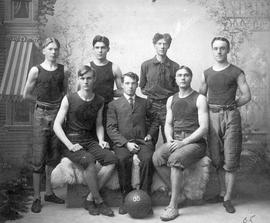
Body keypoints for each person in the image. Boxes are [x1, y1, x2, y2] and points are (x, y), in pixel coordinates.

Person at [53, 65, 117, 217]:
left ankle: (89, 198)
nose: (86, 81)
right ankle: (99, 201)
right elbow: (56, 125)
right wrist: (69, 145)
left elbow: (99, 124)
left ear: (94, 79)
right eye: (82, 78)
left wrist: (101, 140)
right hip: (72, 140)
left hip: (89, 140)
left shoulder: (100, 100)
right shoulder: (69, 98)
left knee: (112, 159)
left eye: (89, 78)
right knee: (89, 160)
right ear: (79, 80)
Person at [199, 37, 251, 213]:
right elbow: (200, 96)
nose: (219, 51)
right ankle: (221, 192)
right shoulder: (207, 73)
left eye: (222, 48)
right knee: (217, 158)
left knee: (230, 157)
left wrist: (231, 106)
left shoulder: (236, 72)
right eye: (216, 48)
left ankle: (228, 198)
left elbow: (246, 95)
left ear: (228, 50)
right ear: (212, 50)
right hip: (212, 116)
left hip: (230, 117)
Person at [153, 66, 209, 221]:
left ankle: (173, 206)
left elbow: (204, 128)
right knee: (157, 157)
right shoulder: (171, 99)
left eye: (186, 75)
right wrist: (169, 138)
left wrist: (183, 142)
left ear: (191, 78)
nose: (183, 78)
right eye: (180, 75)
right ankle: (180, 194)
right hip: (176, 140)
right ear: (175, 79)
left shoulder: (200, 98)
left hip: (195, 143)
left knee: (174, 159)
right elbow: (168, 124)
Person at [23, 37, 66, 213]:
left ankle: (49, 193)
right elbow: (26, 94)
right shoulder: (36, 70)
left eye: (56, 49)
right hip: (41, 115)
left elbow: (65, 94)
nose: (54, 52)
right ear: (44, 50)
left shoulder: (63, 70)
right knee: (39, 158)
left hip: (58, 115)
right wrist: (42, 103)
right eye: (50, 49)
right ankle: (36, 198)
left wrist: (60, 110)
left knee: (53, 155)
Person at [106, 72, 159, 215]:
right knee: (122, 159)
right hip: (123, 144)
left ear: (137, 85)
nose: (130, 86)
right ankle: (126, 199)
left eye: (133, 83)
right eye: (127, 83)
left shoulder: (145, 102)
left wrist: (150, 135)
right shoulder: (114, 105)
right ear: (122, 85)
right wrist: (125, 143)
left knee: (148, 159)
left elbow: (155, 121)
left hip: (142, 142)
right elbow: (110, 128)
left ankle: (145, 199)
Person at [140, 33, 180, 144]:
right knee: (148, 140)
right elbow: (142, 86)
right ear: (154, 45)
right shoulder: (146, 65)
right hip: (150, 106)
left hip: (167, 107)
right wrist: (152, 95)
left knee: (169, 139)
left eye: (165, 44)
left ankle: (168, 161)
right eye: (159, 43)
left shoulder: (175, 66)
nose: (162, 46)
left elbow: (178, 89)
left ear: (169, 46)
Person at [89, 35, 123, 145]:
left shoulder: (114, 67)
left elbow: (122, 91)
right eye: (97, 47)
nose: (100, 50)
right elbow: (79, 91)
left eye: (103, 47)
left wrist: (109, 93)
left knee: (107, 139)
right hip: (90, 107)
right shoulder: (87, 67)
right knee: (90, 138)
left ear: (108, 49)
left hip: (108, 108)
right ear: (93, 49)